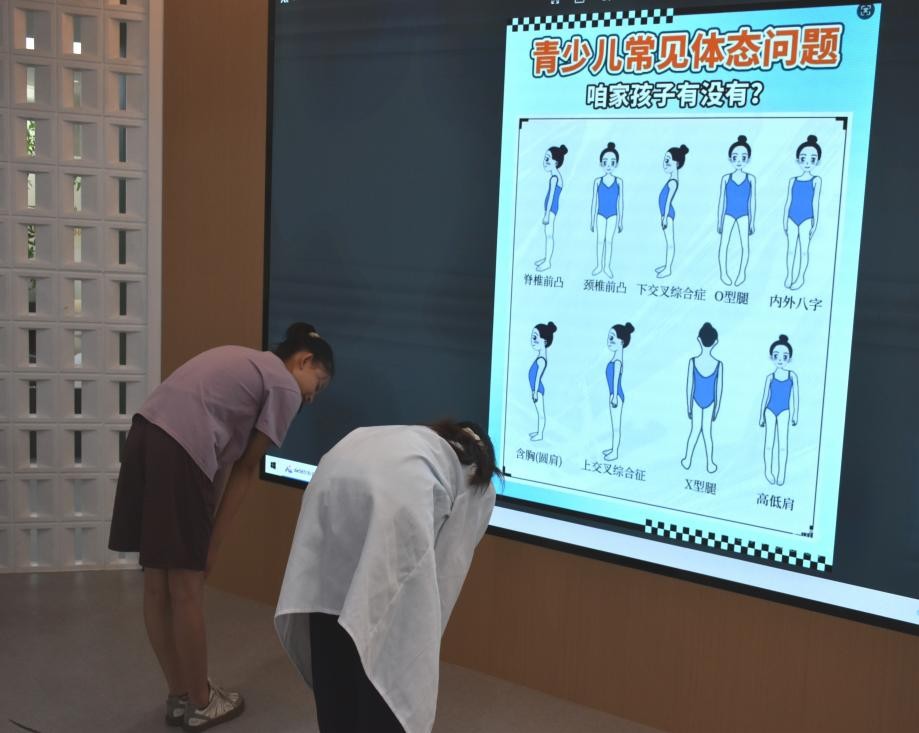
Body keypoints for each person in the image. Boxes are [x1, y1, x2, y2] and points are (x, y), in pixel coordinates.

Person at [108, 323, 334, 730]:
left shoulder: (247, 364)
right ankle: (201, 701)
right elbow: (246, 469)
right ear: (304, 360)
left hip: (146, 434)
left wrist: (204, 533)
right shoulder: (283, 385)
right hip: (181, 448)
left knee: (157, 584)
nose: (311, 398)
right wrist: (210, 547)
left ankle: (180, 694)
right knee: (187, 589)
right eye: (317, 386)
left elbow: (221, 463)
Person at [275, 420, 499, 733]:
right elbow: (446, 575)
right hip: (391, 503)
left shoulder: (417, 440)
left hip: (332, 478)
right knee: (387, 657)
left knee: (330, 618)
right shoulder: (478, 485)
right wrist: (420, 641)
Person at [681, 322, 722, 474]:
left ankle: (687, 460)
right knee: (707, 433)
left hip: (696, 401)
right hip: (710, 402)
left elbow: (689, 387)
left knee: (695, 431)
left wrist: (689, 407)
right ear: (715, 342)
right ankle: (709, 463)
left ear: (699, 339)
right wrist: (716, 409)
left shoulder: (693, 362)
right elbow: (718, 390)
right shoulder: (718, 364)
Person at [783, 134, 823, 290]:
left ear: (817, 161)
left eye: (812, 159)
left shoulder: (816, 180)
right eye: (803, 158)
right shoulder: (793, 180)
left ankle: (800, 277)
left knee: (804, 251)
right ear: (798, 160)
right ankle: (789, 275)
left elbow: (815, 203)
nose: (807, 163)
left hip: (807, 218)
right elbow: (788, 201)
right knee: (791, 250)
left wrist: (815, 223)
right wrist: (784, 220)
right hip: (792, 218)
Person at [758, 334, 799, 485]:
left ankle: (781, 473)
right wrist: (761, 416)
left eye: (784, 356)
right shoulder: (770, 377)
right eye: (776, 356)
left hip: (785, 411)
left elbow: (795, 396)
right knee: (769, 444)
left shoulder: (792, 376)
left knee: (783, 445)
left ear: (789, 358)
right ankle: (768, 471)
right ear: (772, 357)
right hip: (770, 410)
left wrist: (795, 414)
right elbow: (765, 397)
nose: (780, 359)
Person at [717, 135, 757, 286]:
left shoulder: (751, 178)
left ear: (748, 159)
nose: (739, 160)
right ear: (730, 159)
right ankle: (723, 273)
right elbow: (722, 201)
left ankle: (741, 273)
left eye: (743, 157)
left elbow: (752, 201)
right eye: (735, 157)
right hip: (728, 214)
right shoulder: (726, 178)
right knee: (724, 245)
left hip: (744, 215)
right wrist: (719, 221)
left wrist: (752, 221)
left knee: (745, 246)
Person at [589, 142, 625, 279]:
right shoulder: (597, 181)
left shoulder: (619, 181)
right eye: (605, 162)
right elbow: (594, 201)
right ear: (601, 164)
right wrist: (592, 220)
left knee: (609, 241)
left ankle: (607, 266)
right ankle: (599, 265)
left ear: (616, 164)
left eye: (612, 162)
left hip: (613, 215)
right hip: (600, 215)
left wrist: (620, 220)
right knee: (600, 240)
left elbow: (620, 202)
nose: (608, 165)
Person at [655, 144, 689, 279]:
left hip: (668, 214)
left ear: (677, 163)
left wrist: (664, 218)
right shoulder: (671, 180)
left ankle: (668, 269)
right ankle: (666, 265)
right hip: (665, 213)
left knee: (670, 243)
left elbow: (668, 201)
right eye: (665, 160)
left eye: (668, 161)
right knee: (668, 242)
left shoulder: (673, 182)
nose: (665, 164)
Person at [603, 322, 634, 462]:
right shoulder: (616, 359)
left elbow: (615, 380)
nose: (609, 341)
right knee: (613, 425)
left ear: (621, 342)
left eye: (612, 338)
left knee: (616, 426)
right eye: (608, 337)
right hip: (613, 395)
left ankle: (615, 452)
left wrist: (614, 396)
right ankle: (612, 448)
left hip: (616, 396)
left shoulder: (617, 362)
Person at [536, 144, 568, 272]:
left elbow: (551, 197)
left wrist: (546, 214)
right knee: (548, 235)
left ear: (555, 162)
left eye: (547, 159)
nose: (545, 162)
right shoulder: (556, 176)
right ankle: (546, 258)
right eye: (545, 158)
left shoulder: (554, 178)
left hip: (551, 209)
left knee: (549, 235)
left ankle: (548, 262)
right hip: (551, 209)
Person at [529, 321, 557, 441]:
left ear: (544, 341)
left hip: (538, 389)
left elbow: (537, 378)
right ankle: (538, 431)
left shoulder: (541, 360)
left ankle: (540, 434)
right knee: (539, 413)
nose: (532, 340)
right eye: (532, 337)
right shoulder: (540, 358)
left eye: (535, 337)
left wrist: (535, 392)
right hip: (535, 389)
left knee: (541, 413)